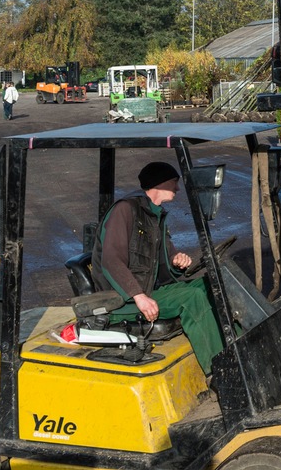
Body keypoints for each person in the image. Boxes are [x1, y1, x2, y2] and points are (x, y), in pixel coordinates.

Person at [90, 161, 223, 376]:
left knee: (213, 285)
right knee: (193, 298)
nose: (177, 189)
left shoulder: (155, 215)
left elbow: (165, 258)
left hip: (148, 290)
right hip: (121, 300)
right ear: (159, 184)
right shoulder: (125, 210)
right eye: (174, 183)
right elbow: (111, 261)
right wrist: (139, 296)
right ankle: (221, 370)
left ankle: (236, 348)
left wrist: (176, 260)